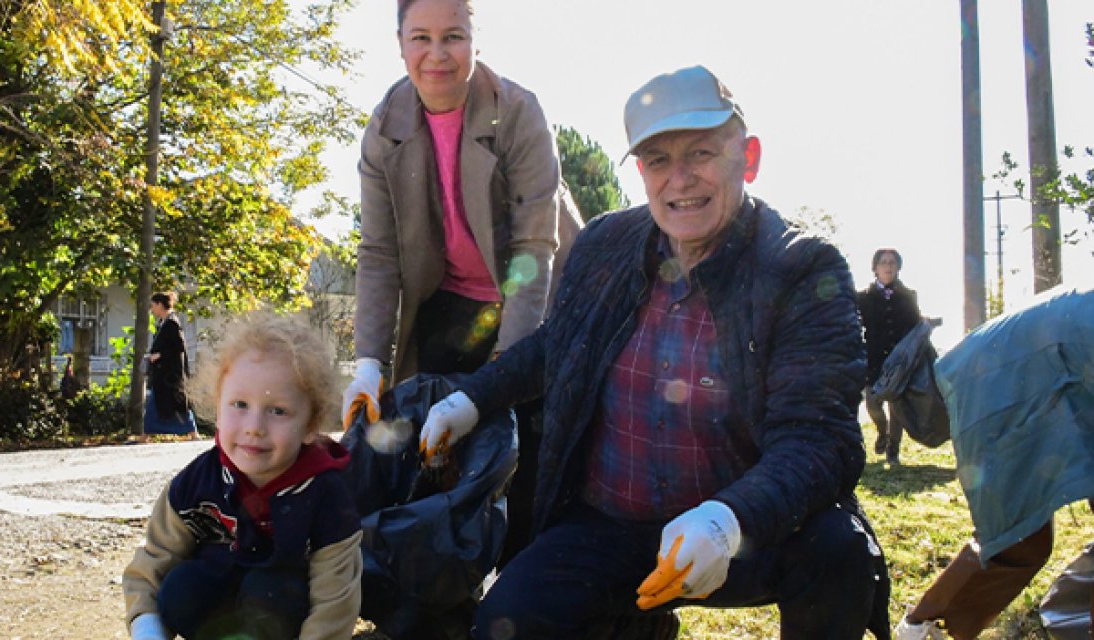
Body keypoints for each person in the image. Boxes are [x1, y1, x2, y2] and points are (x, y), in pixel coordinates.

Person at [418, 65, 888, 638]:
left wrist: (727, 520)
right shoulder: (604, 245)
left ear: (749, 157)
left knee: (839, 553)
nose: (680, 180)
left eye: (702, 153)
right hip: (610, 524)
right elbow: (557, 346)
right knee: (505, 620)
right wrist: (467, 401)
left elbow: (820, 438)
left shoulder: (802, 268)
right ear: (641, 172)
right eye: (659, 161)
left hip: (744, 531)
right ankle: (642, 627)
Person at [342, 0, 581, 572]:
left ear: (475, 38)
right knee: (434, 438)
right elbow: (378, 254)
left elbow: (533, 248)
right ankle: (444, 576)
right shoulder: (383, 129)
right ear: (399, 41)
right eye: (420, 37)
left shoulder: (519, 112)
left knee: (527, 433)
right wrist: (369, 361)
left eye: (453, 36)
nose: (436, 54)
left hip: (537, 295)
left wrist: (507, 367)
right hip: (451, 302)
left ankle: (519, 580)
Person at [122, 311, 362, 640]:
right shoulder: (198, 481)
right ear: (217, 408)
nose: (254, 427)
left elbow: (335, 600)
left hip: (281, 609)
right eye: (239, 404)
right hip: (221, 601)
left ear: (309, 424)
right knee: (180, 589)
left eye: (277, 411)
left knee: (270, 592)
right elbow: (153, 562)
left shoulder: (326, 493)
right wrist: (146, 627)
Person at [894, 286, 1093, 640]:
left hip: (1023, 365)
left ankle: (929, 626)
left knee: (1021, 540)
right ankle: (919, 628)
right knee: (1017, 539)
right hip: (1002, 381)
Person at [857, 248, 922, 465]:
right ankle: (881, 431)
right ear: (875, 268)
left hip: (900, 358)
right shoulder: (863, 298)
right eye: (883, 262)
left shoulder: (908, 295)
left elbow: (915, 325)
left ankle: (893, 451)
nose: (888, 266)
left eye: (892, 262)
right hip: (874, 356)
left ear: (898, 267)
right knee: (872, 400)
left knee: (898, 405)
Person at [144, 291, 196, 435]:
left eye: (153, 305)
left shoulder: (172, 323)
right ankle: (147, 434)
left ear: (160, 304)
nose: (152, 309)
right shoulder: (163, 323)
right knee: (157, 405)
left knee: (177, 404)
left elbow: (178, 347)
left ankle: (192, 431)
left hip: (170, 375)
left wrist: (159, 355)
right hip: (163, 374)